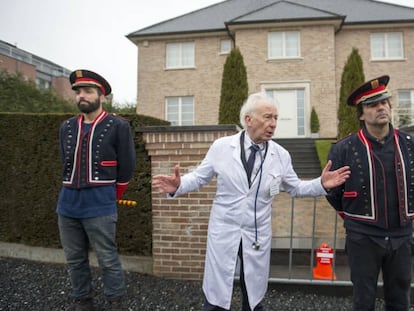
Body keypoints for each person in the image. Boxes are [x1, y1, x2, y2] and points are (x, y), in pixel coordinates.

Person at [152, 92, 350, 311]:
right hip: (225, 229)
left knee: (253, 292)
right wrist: (178, 186)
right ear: (248, 119)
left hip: (256, 232)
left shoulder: (281, 155)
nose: (273, 124)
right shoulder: (222, 148)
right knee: (217, 292)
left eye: (275, 118)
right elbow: (200, 177)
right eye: (267, 117)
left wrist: (321, 184)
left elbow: (296, 188)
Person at [326, 75, 414, 311]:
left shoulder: (409, 143)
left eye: (384, 102)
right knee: (363, 300)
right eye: (373, 104)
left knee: (400, 299)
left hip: (402, 236)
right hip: (362, 237)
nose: (381, 107)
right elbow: (333, 192)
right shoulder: (344, 148)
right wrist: (356, 220)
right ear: (362, 114)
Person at [56, 69, 136, 310]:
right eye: (78, 92)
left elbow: (128, 164)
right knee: (74, 259)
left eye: (88, 91)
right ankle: (82, 300)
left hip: (100, 201)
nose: (82, 96)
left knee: (107, 258)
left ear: (102, 97)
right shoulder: (66, 127)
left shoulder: (118, 125)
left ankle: (114, 299)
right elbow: (65, 161)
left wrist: (113, 195)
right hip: (67, 202)